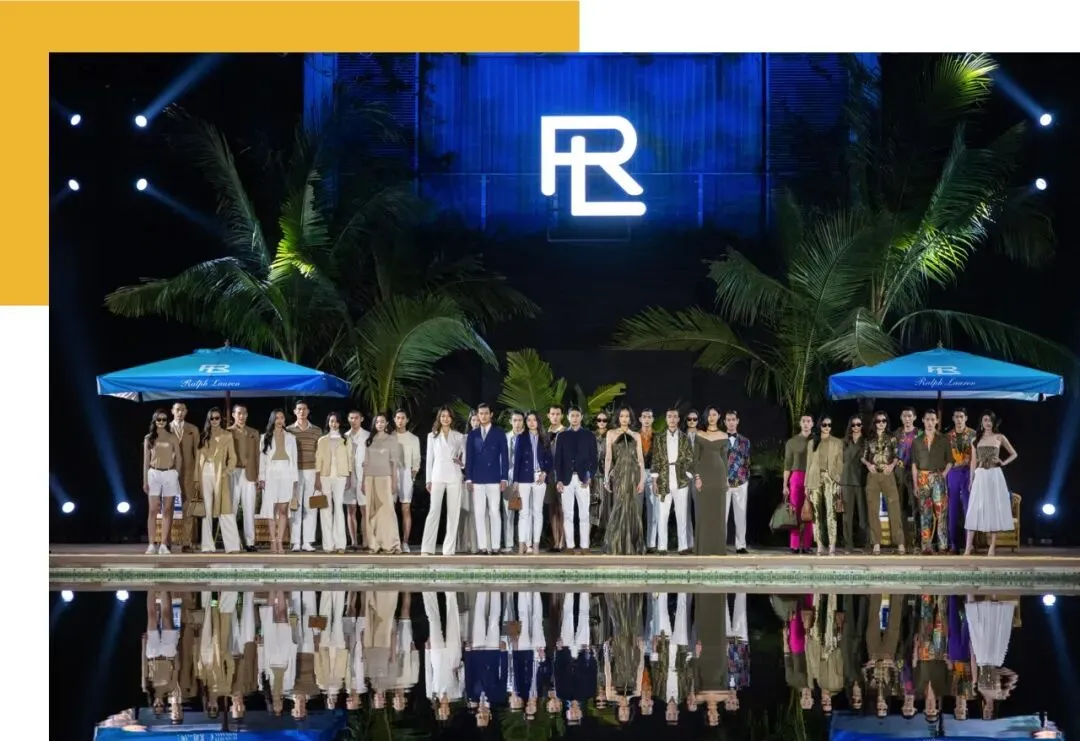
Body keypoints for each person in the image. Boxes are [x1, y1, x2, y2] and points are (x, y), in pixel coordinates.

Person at [964, 411, 1018, 557]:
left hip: (995, 475)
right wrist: (971, 479)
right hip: (980, 475)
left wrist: (1003, 462)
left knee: (994, 508)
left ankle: (992, 546)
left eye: (990, 420)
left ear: (993, 423)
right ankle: (968, 547)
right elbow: (973, 461)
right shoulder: (975, 439)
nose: (988, 423)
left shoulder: (999, 437)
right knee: (974, 508)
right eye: (985, 420)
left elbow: (1014, 453)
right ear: (981, 422)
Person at [465, 403, 510, 555]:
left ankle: (496, 547)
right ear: (477, 415)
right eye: (480, 413)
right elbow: (469, 458)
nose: (483, 416)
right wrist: (468, 478)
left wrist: (504, 478)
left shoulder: (499, 433)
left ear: (491, 415)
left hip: (494, 479)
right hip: (477, 479)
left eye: (486, 413)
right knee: (479, 513)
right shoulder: (473, 434)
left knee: (494, 512)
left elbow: (505, 457)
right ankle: (483, 547)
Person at [422, 406, 466, 556]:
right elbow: (429, 459)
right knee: (434, 510)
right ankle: (427, 548)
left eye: (448, 416)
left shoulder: (459, 436)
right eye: (443, 416)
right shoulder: (432, 436)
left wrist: (462, 463)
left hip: (454, 476)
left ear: (452, 418)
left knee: (453, 513)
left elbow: (465, 458)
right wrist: (428, 480)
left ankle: (448, 549)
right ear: (439, 418)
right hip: (437, 476)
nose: (445, 419)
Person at [195, 407, 240, 553]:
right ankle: (207, 546)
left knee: (225, 508)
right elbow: (197, 460)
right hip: (204, 473)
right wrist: (196, 479)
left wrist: (226, 472)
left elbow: (233, 458)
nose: (214, 420)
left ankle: (232, 546)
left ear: (221, 419)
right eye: (212, 418)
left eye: (217, 418)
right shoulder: (203, 436)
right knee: (206, 510)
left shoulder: (227, 435)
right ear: (208, 420)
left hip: (220, 474)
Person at [554, 406, 598, 554]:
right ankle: (570, 546)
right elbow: (558, 460)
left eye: (577, 415)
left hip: (583, 480)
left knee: (584, 514)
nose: (574, 418)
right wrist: (559, 480)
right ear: (568, 417)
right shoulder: (562, 436)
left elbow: (594, 459)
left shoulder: (589, 435)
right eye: (572, 416)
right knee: (567, 514)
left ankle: (585, 546)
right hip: (566, 479)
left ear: (581, 417)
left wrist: (589, 476)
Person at [603, 406, 646, 555]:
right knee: (619, 507)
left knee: (633, 509)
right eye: (622, 416)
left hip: (634, 474)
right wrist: (606, 477)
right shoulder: (611, 433)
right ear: (618, 418)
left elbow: (640, 459)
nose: (624, 419)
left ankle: (631, 545)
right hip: (619, 475)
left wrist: (642, 480)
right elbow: (608, 457)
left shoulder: (636, 435)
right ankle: (616, 545)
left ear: (630, 418)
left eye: (627, 416)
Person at [911, 409, 953, 554]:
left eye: (932, 419)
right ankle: (926, 546)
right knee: (925, 513)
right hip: (922, 479)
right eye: (927, 419)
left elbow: (950, 461)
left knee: (941, 513)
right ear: (923, 420)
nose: (930, 422)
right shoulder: (917, 441)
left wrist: (943, 474)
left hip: (938, 478)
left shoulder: (944, 439)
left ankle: (942, 546)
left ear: (937, 421)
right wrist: (915, 485)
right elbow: (914, 465)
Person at [863, 412, 905, 555]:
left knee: (894, 507)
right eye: (878, 421)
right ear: (874, 423)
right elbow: (863, 457)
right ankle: (876, 543)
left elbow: (897, 455)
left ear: (886, 423)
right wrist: (868, 464)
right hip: (873, 476)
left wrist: (892, 466)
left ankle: (900, 542)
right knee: (873, 509)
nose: (881, 423)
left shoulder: (892, 438)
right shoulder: (869, 439)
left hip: (888, 475)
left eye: (884, 421)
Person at [654, 407, 694, 554]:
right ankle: (662, 547)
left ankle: (683, 546)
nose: (672, 419)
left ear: (678, 419)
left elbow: (690, 457)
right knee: (662, 515)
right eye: (669, 416)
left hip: (681, 480)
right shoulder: (659, 438)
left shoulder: (684, 437)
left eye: (674, 416)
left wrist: (687, 475)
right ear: (666, 419)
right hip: (664, 479)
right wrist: (654, 481)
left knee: (682, 515)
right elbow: (656, 460)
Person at [258, 410, 299, 554]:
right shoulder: (264, 437)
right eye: (277, 418)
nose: (279, 420)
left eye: (282, 418)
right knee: (271, 509)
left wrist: (295, 480)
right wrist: (261, 478)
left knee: (283, 509)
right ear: (272, 420)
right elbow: (262, 460)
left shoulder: (291, 438)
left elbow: (294, 460)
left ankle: (280, 542)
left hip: (286, 474)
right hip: (271, 474)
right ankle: (272, 541)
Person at [363, 414, 404, 554]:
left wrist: (394, 482)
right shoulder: (369, 440)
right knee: (371, 512)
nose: (379, 424)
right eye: (377, 422)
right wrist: (362, 481)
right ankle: (374, 544)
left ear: (386, 423)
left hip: (385, 478)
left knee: (387, 512)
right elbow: (365, 463)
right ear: (374, 424)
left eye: (382, 421)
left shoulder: (392, 440)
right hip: (369, 478)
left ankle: (392, 544)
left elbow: (394, 463)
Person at [143, 409, 182, 555]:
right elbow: (146, 461)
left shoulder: (172, 437)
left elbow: (179, 457)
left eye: (164, 419)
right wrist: (145, 481)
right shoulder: (149, 438)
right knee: (153, 509)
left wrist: (176, 473)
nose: (161, 422)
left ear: (167, 421)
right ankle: (151, 544)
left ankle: (164, 544)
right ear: (154, 421)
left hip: (169, 473)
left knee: (167, 509)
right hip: (153, 473)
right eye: (158, 419)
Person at [513, 411, 551, 554]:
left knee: (538, 512)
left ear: (538, 421)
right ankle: (522, 544)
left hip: (540, 478)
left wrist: (545, 472)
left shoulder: (544, 438)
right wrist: (515, 480)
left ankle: (536, 545)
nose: (531, 422)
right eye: (528, 420)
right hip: (523, 478)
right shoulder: (521, 437)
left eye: (534, 420)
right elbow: (517, 460)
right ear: (526, 422)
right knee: (523, 512)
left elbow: (549, 459)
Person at [692, 406, 729, 556]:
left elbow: (724, 460)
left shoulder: (724, 435)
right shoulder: (700, 434)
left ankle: (718, 549)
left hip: (719, 478)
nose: (711, 417)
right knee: (704, 513)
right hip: (704, 477)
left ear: (719, 416)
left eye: (714, 414)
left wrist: (726, 479)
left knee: (718, 514)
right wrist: (697, 478)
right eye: (709, 415)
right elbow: (695, 459)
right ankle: (703, 548)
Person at [287, 401, 322, 553]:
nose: (302, 412)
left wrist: (318, 476)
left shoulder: (317, 430)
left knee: (311, 506)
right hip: (295, 472)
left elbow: (319, 455)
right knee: (295, 506)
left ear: (308, 411)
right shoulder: (289, 430)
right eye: (299, 409)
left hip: (312, 471)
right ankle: (295, 542)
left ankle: (307, 541)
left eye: (304, 409)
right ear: (295, 411)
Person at [315, 412, 353, 553]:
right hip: (324, 476)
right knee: (325, 509)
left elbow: (350, 459)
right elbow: (318, 460)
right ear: (328, 422)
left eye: (336, 421)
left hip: (341, 476)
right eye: (331, 421)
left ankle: (340, 544)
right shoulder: (322, 440)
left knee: (339, 508)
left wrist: (349, 476)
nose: (334, 424)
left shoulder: (346, 439)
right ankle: (328, 545)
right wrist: (317, 478)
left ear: (340, 423)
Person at [806, 415, 843, 556]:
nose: (827, 427)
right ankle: (819, 544)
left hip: (830, 478)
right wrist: (806, 485)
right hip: (814, 478)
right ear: (819, 426)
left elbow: (840, 463)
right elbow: (808, 464)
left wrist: (838, 481)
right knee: (816, 512)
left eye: (829, 425)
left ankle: (832, 544)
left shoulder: (837, 442)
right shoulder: (812, 443)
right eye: (824, 425)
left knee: (831, 512)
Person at [227, 405, 260, 552]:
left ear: (247, 415)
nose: (241, 416)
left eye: (244, 413)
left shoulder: (254, 433)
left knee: (249, 509)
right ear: (234, 415)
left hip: (249, 473)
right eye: (239, 413)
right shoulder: (228, 432)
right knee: (232, 508)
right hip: (233, 473)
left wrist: (259, 475)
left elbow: (258, 456)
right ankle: (232, 542)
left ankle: (250, 542)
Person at [169, 402, 201, 552]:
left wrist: (197, 474)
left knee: (188, 507)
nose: (180, 412)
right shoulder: (165, 428)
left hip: (189, 472)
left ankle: (187, 542)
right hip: (169, 472)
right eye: (177, 410)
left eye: (182, 410)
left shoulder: (193, 429)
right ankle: (166, 541)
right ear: (172, 411)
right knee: (168, 506)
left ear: (186, 411)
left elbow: (198, 453)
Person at [783, 415, 815, 554]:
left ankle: (807, 544)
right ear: (800, 424)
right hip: (796, 477)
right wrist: (785, 485)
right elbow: (787, 464)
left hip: (812, 477)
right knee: (795, 510)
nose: (806, 424)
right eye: (804, 421)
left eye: (808, 421)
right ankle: (795, 544)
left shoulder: (816, 441)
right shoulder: (792, 442)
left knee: (809, 510)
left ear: (812, 424)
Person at [946, 408, 977, 553]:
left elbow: (977, 455)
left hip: (968, 472)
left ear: (966, 418)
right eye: (956, 417)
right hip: (952, 473)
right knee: (952, 510)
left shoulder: (973, 434)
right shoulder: (948, 436)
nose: (959, 419)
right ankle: (953, 544)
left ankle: (969, 545)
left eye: (961, 417)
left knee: (968, 509)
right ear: (953, 418)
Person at [393, 409, 422, 552]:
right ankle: (392, 541)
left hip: (406, 473)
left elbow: (416, 459)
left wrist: (413, 474)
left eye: (403, 418)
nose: (400, 420)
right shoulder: (389, 437)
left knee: (405, 508)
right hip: (391, 473)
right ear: (394, 419)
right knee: (390, 509)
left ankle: (405, 541)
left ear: (407, 420)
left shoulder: (413, 438)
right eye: (398, 418)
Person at [723, 410, 751, 554]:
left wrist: (745, 479)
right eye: (728, 420)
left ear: (737, 421)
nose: (731, 422)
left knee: (741, 515)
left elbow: (747, 461)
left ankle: (741, 545)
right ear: (724, 422)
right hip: (724, 482)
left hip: (741, 482)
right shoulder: (720, 440)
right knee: (722, 516)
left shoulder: (745, 441)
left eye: (733, 419)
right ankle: (721, 544)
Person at [893, 407, 921, 547]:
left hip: (915, 472)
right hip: (899, 472)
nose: (907, 419)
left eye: (910, 416)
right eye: (904, 416)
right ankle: (902, 541)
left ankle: (918, 540)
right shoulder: (896, 433)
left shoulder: (919, 433)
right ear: (901, 418)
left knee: (916, 506)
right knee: (900, 507)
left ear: (914, 417)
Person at [840, 415, 868, 552]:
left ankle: (867, 544)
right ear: (850, 427)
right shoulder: (843, 442)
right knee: (847, 516)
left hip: (862, 481)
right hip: (846, 481)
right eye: (853, 424)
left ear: (862, 426)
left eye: (858, 424)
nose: (856, 427)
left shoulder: (866, 442)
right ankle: (848, 545)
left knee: (863, 516)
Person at [344, 410, 369, 552]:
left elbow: (369, 459)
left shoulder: (367, 436)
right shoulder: (345, 436)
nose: (354, 420)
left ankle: (366, 540)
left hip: (362, 476)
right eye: (351, 418)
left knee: (364, 509)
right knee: (350, 509)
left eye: (356, 418)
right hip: (349, 476)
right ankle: (353, 541)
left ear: (362, 419)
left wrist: (365, 479)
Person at [503, 411, 526, 553]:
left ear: (523, 422)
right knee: (508, 512)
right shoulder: (505, 437)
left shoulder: (528, 437)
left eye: (520, 420)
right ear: (510, 422)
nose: (517, 423)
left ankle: (525, 543)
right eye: (515, 420)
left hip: (525, 479)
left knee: (525, 512)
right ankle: (509, 544)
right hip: (509, 479)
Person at [546, 406, 567, 551]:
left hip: (563, 475)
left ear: (562, 416)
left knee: (562, 508)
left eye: (557, 414)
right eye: (552, 414)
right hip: (548, 475)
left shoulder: (566, 432)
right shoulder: (544, 433)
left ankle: (562, 541)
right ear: (548, 415)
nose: (555, 416)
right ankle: (555, 541)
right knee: (552, 508)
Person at [591, 412, 610, 546]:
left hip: (607, 476)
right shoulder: (591, 436)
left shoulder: (612, 435)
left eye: (604, 420)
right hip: (593, 476)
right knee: (593, 505)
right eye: (599, 420)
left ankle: (606, 539)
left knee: (607, 507)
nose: (602, 422)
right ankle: (589, 538)